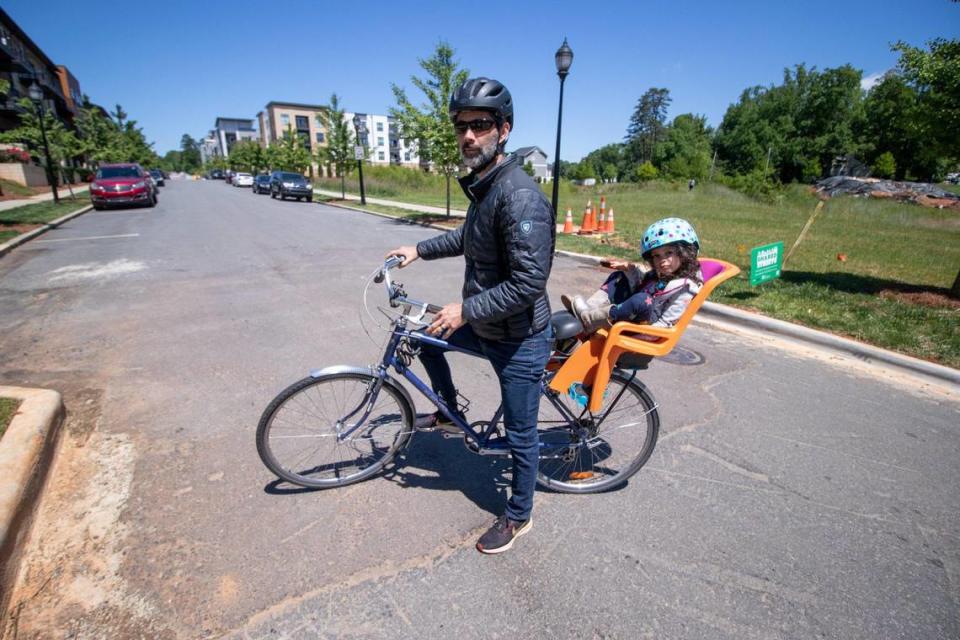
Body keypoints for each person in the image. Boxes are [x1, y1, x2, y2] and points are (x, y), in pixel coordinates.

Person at [384, 77, 555, 555]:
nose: (468, 136)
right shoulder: (487, 189)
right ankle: (445, 413)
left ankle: (519, 515)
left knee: (521, 436)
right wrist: (417, 249)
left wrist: (464, 310)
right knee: (420, 338)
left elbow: (527, 284)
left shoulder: (519, 197)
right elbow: (467, 238)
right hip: (486, 325)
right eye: (462, 126)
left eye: (479, 126)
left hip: (519, 338)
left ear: (504, 129)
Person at [561, 218, 703, 333]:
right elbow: (642, 286)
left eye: (669, 253)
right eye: (656, 256)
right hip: (633, 312)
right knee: (619, 276)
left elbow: (667, 321)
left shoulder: (685, 287)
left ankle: (590, 319)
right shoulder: (661, 275)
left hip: (645, 326)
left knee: (642, 300)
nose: (662, 260)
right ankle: (589, 308)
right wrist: (630, 270)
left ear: (685, 252)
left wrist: (646, 335)